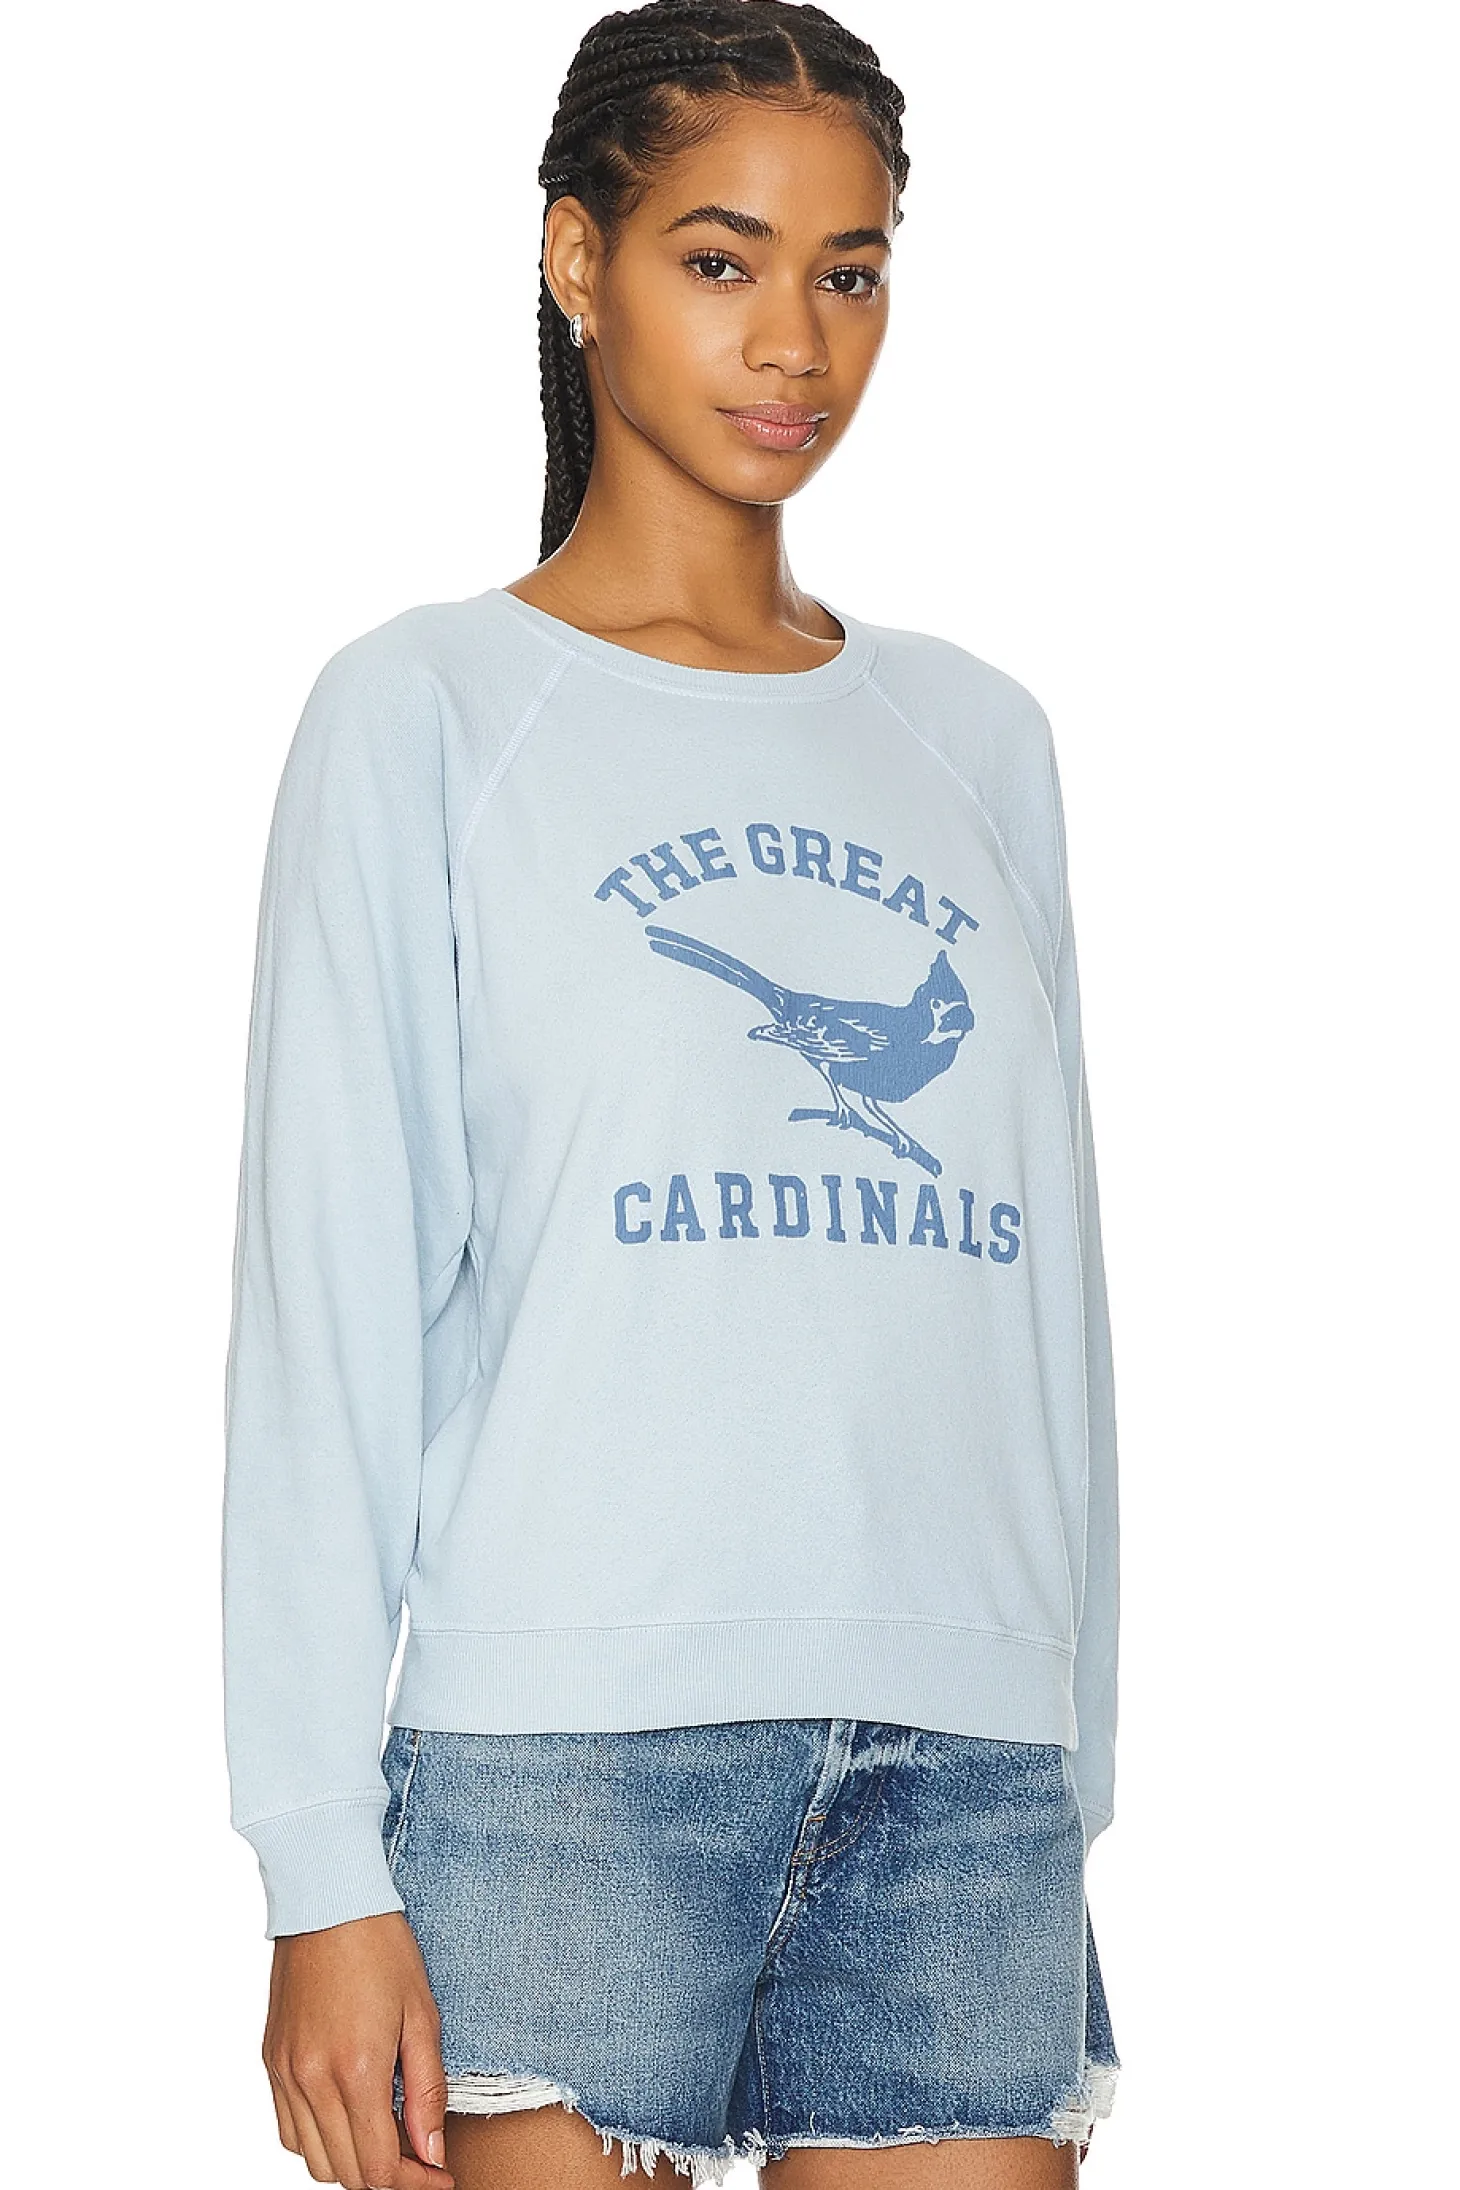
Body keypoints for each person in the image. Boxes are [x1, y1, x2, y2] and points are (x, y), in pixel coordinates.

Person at [221, 5, 1124, 2185]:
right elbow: (324, 1306)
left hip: (965, 1781)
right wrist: (317, 1863)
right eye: (719, 260)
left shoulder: (978, 740)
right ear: (576, 259)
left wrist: (1068, 1767)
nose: (794, 340)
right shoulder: (431, 710)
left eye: (850, 269)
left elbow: (1055, 1301)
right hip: (566, 1767)